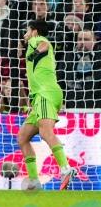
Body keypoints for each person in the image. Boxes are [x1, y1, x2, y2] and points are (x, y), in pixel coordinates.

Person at [19, 19, 76, 191]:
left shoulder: (36, 41)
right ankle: (35, 182)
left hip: (45, 93)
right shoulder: (33, 43)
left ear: (35, 31)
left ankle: (65, 168)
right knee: (23, 138)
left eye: (27, 31)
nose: (25, 35)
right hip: (43, 96)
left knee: (45, 132)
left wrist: (34, 53)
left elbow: (43, 45)